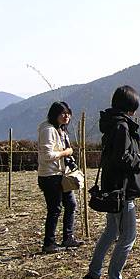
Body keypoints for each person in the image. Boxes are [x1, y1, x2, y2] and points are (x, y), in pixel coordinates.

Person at [83, 85, 140, 279]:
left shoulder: (111, 124)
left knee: (111, 232)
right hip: (122, 191)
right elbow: (123, 158)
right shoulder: (122, 126)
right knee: (128, 237)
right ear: (130, 106)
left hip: (113, 187)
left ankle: (94, 272)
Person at [38, 102, 85, 253]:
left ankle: (68, 238)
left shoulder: (60, 130)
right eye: (63, 113)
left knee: (71, 205)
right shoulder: (48, 130)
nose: (67, 116)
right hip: (50, 176)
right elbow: (47, 156)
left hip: (61, 175)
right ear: (55, 114)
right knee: (55, 209)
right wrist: (66, 153)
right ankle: (49, 243)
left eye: (68, 113)